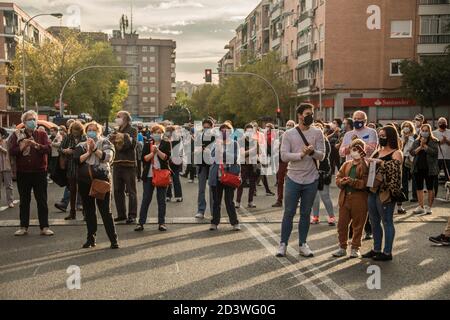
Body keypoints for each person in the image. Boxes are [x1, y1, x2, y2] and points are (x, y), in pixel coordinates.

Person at [277, 104, 325, 258]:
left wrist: (312, 152)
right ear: (299, 115)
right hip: (293, 178)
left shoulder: (318, 132)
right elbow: (284, 156)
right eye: (307, 113)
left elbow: (322, 156)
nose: (310, 116)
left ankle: (303, 244)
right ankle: (283, 244)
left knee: (305, 213)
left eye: (311, 113)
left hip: (311, 179)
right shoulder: (289, 134)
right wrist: (301, 155)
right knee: (289, 212)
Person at [74, 122, 119, 249]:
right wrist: (88, 152)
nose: (91, 132)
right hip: (84, 181)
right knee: (89, 211)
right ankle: (91, 239)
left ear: (99, 132)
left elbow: (108, 158)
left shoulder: (105, 142)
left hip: (101, 181)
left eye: (94, 130)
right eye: (89, 130)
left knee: (105, 211)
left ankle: (113, 239)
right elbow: (77, 160)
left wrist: (95, 150)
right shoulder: (81, 145)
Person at [10, 110, 53, 236]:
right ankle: (23, 227)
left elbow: (48, 149)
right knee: (24, 200)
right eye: (29, 119)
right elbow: (12, 151)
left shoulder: (42, 134)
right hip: (23, 172)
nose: (32, 121)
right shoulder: (16, 135)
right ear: (24, 122)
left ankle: (44, 227)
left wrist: (36, 145)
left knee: (42, 199)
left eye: (34, 119)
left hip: (39, 171)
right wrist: (23, 146)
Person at [363, 125, 403, 261]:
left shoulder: (397, 153)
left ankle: (387, 252)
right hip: (373, 190)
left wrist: (380, 162)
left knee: (387, 221)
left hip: (386, 192)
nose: (381, 138)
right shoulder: (377, 151)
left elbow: (395, 169)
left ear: (391, 137)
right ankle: (376, 249)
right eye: (380, 135)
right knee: (374, 221)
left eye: (384, 136)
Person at [339, 111, 377, 239]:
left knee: (363, 200)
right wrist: (350, 146)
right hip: (349, 168)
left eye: (360, 119)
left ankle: (368, 228)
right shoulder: (348, 134)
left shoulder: (371, 132)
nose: (357, 120)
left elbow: (372, 148)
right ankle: (350, 229)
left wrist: (359, 144)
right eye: (355, 118)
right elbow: (342, 151)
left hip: (365, 168)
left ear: (365, 120)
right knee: (348, 198)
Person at [332, 139, 369, 258]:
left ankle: (355, 247)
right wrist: (342, 182)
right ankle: (342, 247)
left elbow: (366, 182)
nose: (355, 151)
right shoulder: (346, 164)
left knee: (358, 225)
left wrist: (353, 182)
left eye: (358, 148)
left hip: (359, 199)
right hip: (345, 198)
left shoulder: (366, 164)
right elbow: (338, 178)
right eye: (353, 148)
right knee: (342, 225)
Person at [135, 124, 172, 232]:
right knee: (146, 199)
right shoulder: (147, 143)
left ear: (162, 134)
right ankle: (141, 223)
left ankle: (161, 223)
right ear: (151, 134)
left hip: (162, 175)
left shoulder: (166, 143)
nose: (157, 134)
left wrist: (158, 151)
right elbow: (144, 159)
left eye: (159, 132)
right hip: (149, 175)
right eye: (155, 132)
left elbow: (166, 158)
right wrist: (152, 153)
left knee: (161, 200)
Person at [209, 123, 241, 231]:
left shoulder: (235, 144)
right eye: (222, 130)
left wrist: (222, 153)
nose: (224, 132)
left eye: (226, 130)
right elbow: (212, 157)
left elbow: (235, 158)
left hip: (229, 175)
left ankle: (235, 222)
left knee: (229, 201)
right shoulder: (215, 143)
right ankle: (214, 222)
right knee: (216, 201)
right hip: (217, 176)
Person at [110, 111, 138, 224]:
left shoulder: (133, 130)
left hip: (129, 164)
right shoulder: (116, 131)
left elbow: (132, 145)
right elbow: (113, 145)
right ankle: (121, 214)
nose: (117, 118)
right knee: (117, 190)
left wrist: (122, 138)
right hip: (117, 163)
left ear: (125, 118)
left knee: (131, 191)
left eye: (118, 117)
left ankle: (132, 215)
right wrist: (114, 140)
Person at [59, 121, 86, 220]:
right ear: (71, 130)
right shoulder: (68, 137)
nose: (75, 133)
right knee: (72, 191)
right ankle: (72, 213)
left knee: (83, 192)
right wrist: (66, 151)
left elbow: (88, 150)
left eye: (77, 131)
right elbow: (60, 148)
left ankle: (85, 213)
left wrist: (78, 151)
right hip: (71, 167)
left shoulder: (84, 138)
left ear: (81, 130)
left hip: (82, 167)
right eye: (74, 130)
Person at [410, 124, 439, 215]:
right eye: (423, 130)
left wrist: (425, 146)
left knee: (430, 188)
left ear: (429, 131)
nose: (424, 132)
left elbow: (434, 152)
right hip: (418, 168)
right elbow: (412, 152)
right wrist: (420, 146)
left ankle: (429, 207)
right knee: (419, 188)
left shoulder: (434, 141)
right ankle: (421, 206)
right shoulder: (416, 141)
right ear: (420, 131)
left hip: (430, 168)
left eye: (426, 130)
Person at [311, 124, 335, 226]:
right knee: (315, 196)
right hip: (312, 171)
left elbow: (323, 157)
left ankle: (331, 217)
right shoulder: (311, 142)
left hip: (323, 171)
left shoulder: (325, 142)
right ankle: (315, 217)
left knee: (325, 195)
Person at [272, 120, 295, 208]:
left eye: (290, 125)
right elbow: (276, 147)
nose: (288, 126)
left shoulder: (296, 136)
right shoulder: (282, 136)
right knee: (280, 180)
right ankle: (279, 200)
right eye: (287, 125)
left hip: (293, 161)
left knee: (293, 181)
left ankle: (296, 200)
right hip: (283, 161)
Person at [195, 119, 215, 219]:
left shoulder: (215, 137)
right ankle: (201, 210)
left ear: (212, 127)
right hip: (202, 165)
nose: (206, 129)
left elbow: (218, 151)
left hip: (212, 165)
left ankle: (213, 211)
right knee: (201, 189)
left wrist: (209, 151)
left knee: (212, 189)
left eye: (208, 127)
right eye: (205, 127)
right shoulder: (199, 136)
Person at [236, 124, 259, 209]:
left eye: (251, 131)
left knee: (252, 184)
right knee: (241, 183)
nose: (249, 133)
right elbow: (242, 154)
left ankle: (250, 201)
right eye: (248, 131)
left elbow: (257, 152)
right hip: (244, 164)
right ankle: (238, 202)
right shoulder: (241, 141)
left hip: (252, 164)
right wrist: (251, 150)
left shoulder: (254, 141)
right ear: (245, 131)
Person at [397, 121, 416, 214]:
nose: (406, 128)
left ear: (411, 127)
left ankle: (414, 196)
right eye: (404, 126)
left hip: (412, 158)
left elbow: (414, 148)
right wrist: (404, 141)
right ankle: (405, 196)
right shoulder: (401, 137)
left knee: (413, 177)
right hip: (403, 158)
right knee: (403, 178)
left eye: (408, 126)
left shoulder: (415, 137)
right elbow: (400, 148)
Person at [166, 125, 183, 202]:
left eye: (169, 131)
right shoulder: (165, 139)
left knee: (175, 178)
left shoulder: (178, 139)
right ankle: (169, 195)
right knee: (168, 178)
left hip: (175, 160)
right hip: (168, 160)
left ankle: (177, 195)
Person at [433, 117, 450, 195]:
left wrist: (447, 141)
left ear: (446, 124)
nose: (442, 123)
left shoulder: (449, 132)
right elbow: (432, 145)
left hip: (448, 157)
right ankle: (434, 193)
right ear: (438, 124)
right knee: (435, 176)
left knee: (449, 176)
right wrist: (441, 142)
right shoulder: (434, 133)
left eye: (444, 122)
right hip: (437, 157)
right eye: (441, 122)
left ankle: (448, 193)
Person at [0, 128, 14, 208]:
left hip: (6, 166)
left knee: (8, 185)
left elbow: (9, 153)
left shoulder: (7, 142)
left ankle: (10, 201)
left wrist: (1, 148)